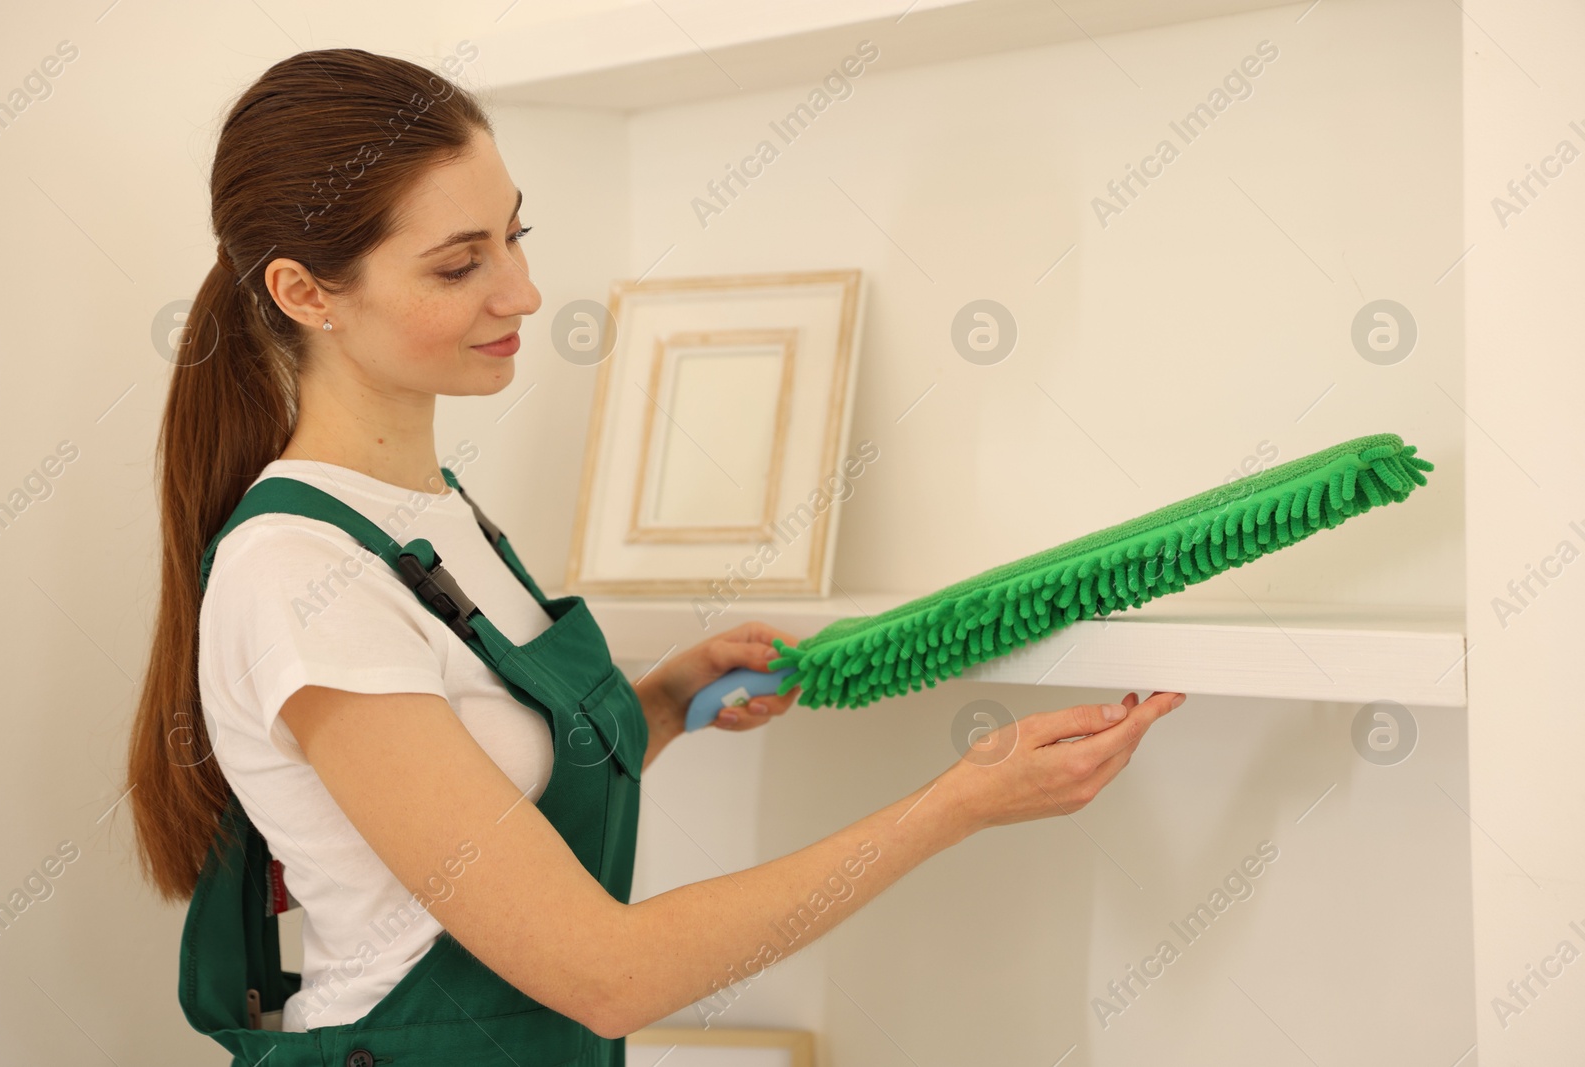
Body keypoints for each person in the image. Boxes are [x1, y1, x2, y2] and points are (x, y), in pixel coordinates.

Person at [125, 46, 1188, 1067]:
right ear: (307, 294)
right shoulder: (299, 578)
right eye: (460, 263)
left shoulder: (437, 513)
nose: (523, 292)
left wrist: (662, 703)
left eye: (513, 234)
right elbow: (605, 973)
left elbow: (487, 800)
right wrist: (955, 804)